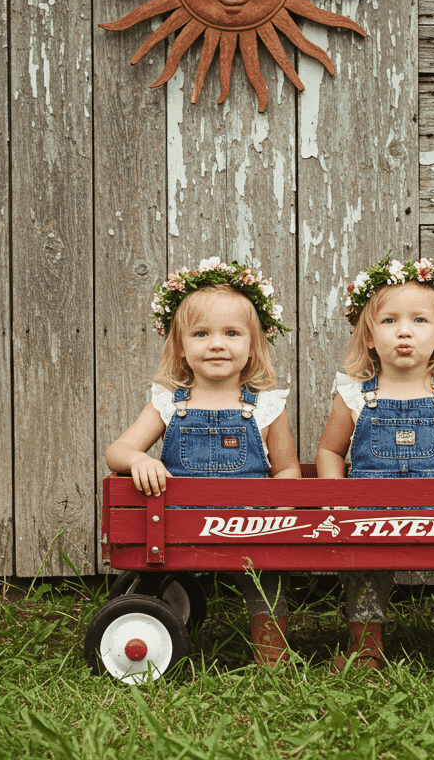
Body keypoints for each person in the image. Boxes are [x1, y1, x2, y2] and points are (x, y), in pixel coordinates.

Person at [106, 257, 301, 667]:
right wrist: (139, 459)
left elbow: (286, 469)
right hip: (178, 523)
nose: (217, 343)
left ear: (252, 345)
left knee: (266, 581)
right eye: (201, 333)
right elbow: (117, 451)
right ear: (180, 345)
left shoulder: (266, 407)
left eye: (232, 333)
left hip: (251, 526)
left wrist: (282, 517)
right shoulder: (168, 403)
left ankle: (272, 655)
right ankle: (154, 610)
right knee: (161, 564)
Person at [316, 253, 434, 670]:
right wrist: (335, 499)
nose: (404, 332)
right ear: (368, 336)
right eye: (389, 321)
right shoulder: (354, 394)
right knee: (367, 568)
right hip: (371, 515)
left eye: (420, 321)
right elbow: (330, 451)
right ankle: (367, 644)